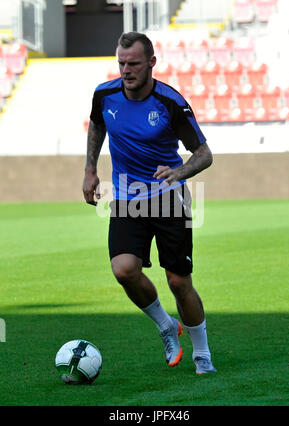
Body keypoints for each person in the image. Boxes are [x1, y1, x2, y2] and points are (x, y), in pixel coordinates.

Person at [82, 31, 216, 375]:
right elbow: (97, 125)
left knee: (178, 281)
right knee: (124, 269)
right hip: (127, 197)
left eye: (134, 64)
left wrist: (179, 172)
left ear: (152, 63)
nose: (126, 70)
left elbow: (204, 154)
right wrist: (90, 170)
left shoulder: (170, 102)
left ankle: (202, 354)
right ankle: (166, 326)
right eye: (121, 63)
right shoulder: (105, 94)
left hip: (168, 198)